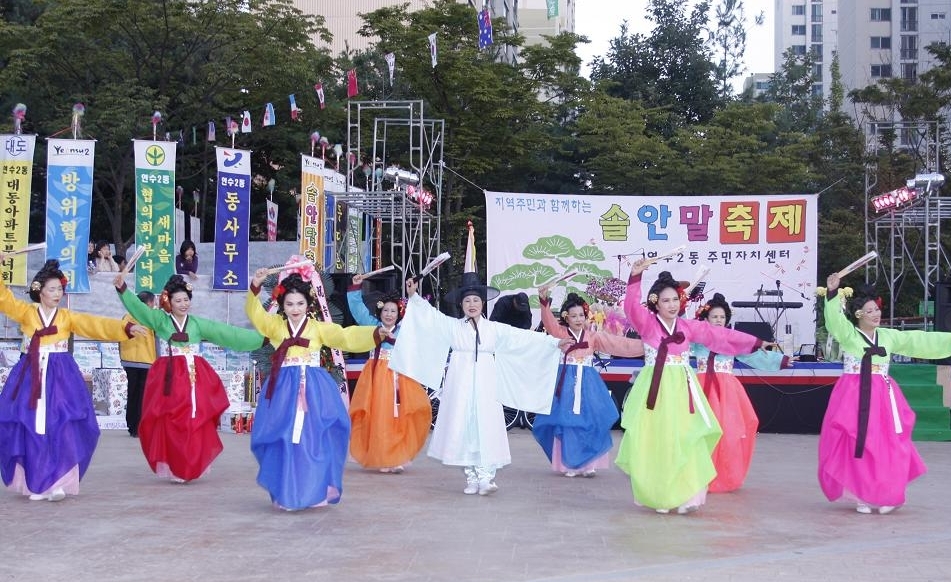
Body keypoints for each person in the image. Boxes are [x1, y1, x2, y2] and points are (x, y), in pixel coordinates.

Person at [389, 271, 572, 496]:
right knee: (463, 424)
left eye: (476, 300)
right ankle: (472, 476)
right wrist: (414, 296)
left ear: (483, 303)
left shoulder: (494, 329)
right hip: (460, 382)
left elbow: (523, 337)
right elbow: (429, 316)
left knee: (486, 424)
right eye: (467, 300)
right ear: (461, 304)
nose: (472, 304)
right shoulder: (453, 327)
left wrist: (554, 342)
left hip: (486, 382)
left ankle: (486, 477)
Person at [617, 260, 765, 514]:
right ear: (655, 303)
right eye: (666, 300)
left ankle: (688, 496)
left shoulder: (687, 327)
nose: (672, 305)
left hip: (683, 390)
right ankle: (660, 494)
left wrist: (753, 342)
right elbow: (631, 306)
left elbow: (721, 336)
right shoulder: (647, 324)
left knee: (687, 439)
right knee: (660, 441)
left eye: (675, 299)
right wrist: (635, 276)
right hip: (657, 389)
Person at [0, 259, 145, 502]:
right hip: (31, 374)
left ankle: (57, 482)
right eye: (52, 289)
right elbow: (4, 299)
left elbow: (94, 325)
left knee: (60, 427)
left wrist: (125, 328)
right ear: (39, 291)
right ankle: (37, 483)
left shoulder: (66, 317)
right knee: (32, 428)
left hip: (60, 377)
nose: (57, 294)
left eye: (60, 289)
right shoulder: (26, 313)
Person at [819, 273, 951, 514]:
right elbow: (835, 322)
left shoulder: (888, 336)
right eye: (870, 311)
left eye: (876, 310)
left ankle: (888, 492)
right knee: (857, 443)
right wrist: (832, 293)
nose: (876, 314)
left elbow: (919, 340)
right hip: (854, 396)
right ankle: (861, 494)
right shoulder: (849, 335)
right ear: (859, 315)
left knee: (887, 444)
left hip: (883, 397)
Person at [114, 273, 265, 483]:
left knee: (194, 420)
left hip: (195, 376)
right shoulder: (159, 320)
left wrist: (261, 339)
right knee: (172, 421)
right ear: (168, 302)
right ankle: (175, 464)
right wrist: (123, 290)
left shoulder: (197, 324)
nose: (183, 304)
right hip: (169, 378)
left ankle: (192, 462)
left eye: (186, 299)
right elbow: (139, 309)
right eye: (178, 300)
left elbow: (226, 333)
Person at [247, 267, 376, 510]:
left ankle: (315, 490)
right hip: (284, 390)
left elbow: (345, 336)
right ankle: (287, 490)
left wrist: (376, 333)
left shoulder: (318, 328)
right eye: (289, 304)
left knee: (315, 439)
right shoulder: (275, 326)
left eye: (300, 303)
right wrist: (254, 286)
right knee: (284, 439)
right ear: (282, 305)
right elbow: (256, 316)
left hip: (314, 390)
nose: (295, 309)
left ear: (308, 304)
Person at [534, 289, 644, 478]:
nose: (578, 319)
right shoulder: (560, 333)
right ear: (566, 318)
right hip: (566, 382)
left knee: (590, 420)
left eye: (581, 315)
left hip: (588, 383)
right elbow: (548, 322)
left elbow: (618, 344)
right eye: (574, 315)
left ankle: (589, 463)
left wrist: (647, 345)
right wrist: (544, 302)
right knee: (568, 423)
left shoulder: (593, 337)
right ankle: (570, 463)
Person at [692, 292, 786, 492]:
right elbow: (678, 338)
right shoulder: (697, 341)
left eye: (722, 317)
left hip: (726, 392)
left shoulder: (733, 341)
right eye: (714, 316)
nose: (718, 320)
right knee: (700, 431)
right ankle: (697, 474)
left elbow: (754, 356)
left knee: (728, 433)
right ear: (706, 319)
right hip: (701, 389)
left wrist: (781, 360)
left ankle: (722, 476)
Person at [346, 274, 431, 474]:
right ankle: (382, 455)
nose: (389, 314)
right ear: (380, 311)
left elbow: (419, 314)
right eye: (386, 310)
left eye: (393, 311)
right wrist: (356, 287)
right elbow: (358, 310)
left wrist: (412, 293)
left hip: (399, 374)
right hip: (376, 375)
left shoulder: (404, 329)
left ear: (399, 313)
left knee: (400, 415)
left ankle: (397, 455)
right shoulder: (372, 326)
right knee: (378, 414)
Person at [119, 291, 157, 438]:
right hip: (146, 361)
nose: (154, 306)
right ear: (148, 303)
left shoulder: (127, 316)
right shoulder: (149, 317)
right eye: (153, 302)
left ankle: (132, 426)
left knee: (132, 393)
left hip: (129, 360)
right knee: (143, 395)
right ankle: (139, 426)